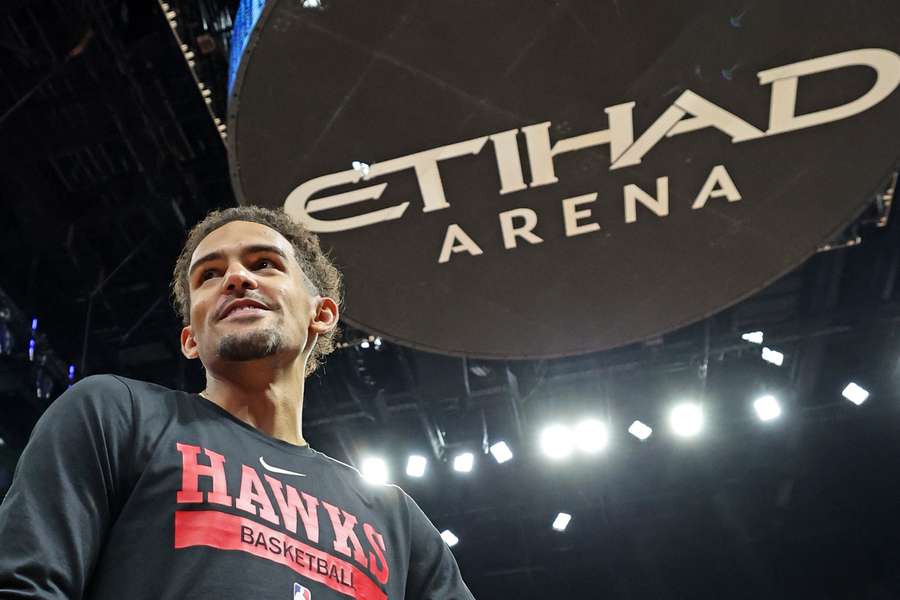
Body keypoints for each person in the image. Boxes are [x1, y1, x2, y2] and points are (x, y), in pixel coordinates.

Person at [0, 206, 475, 599]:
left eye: (264, 263)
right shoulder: (115, 414)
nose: (235, 278)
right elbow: (25, 586)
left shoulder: (396, 518)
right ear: (190, 339)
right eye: (209, 274)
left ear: (322, 313)